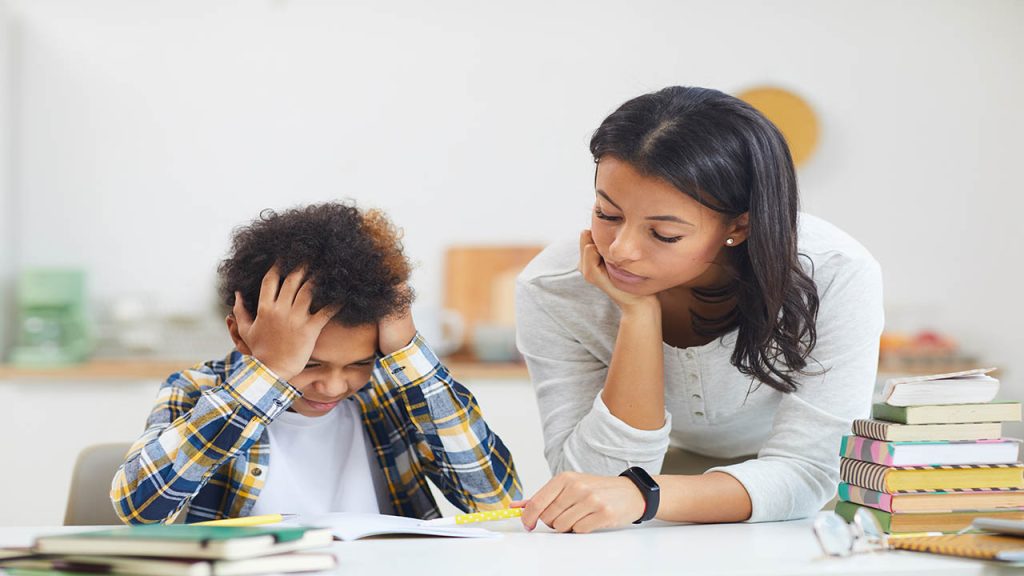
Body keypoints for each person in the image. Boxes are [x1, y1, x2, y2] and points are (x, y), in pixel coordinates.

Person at [513, 86, 883, 533]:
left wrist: (646, 495)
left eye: (664, 235)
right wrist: (639, 318)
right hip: (652, 503)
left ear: (739, 226)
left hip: (794, 508)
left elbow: (808, 469)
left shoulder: (834, 273)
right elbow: (597, 481)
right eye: (607, 214)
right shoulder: (555, 289)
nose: (621, 250)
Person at [111, 202, 521, 524]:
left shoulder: (391, 397)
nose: (333, 386)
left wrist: (406, 350)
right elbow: (140, 507)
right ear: (240, 334)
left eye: (360, 363)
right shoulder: (196, 390)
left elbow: (494, 498)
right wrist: (268, 374)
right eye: (309, 365)